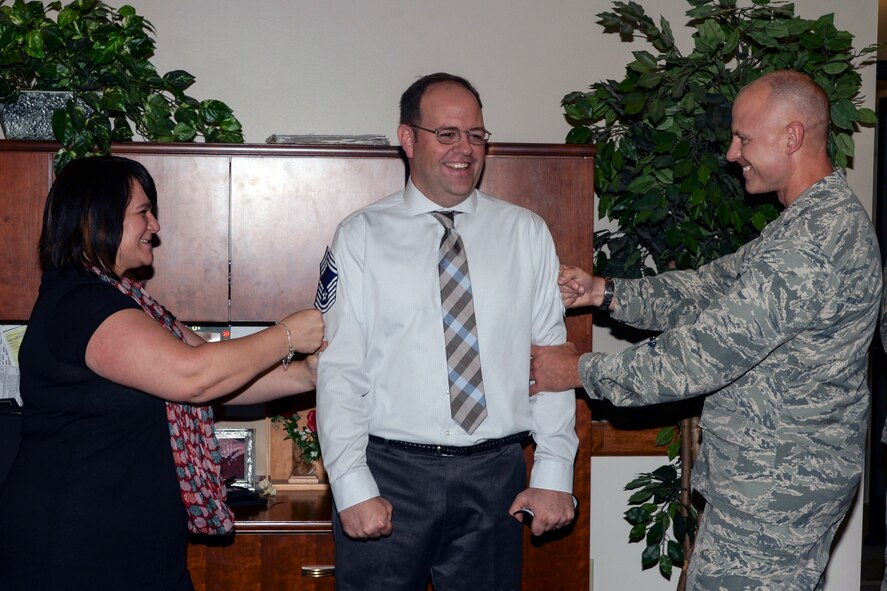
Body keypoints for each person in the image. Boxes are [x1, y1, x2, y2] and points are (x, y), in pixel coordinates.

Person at [529, 70, 882, 589]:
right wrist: (605, 293)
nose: (732, 153)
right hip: (767, 489)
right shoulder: (806, 223)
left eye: (744, 137)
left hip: (774, 499)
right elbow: (708, 289)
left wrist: (578, 371)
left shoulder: (813, 242)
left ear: (792, 136)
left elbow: (700, 356)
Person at [0, 156, 324, 591]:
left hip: (136, 553)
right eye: (143, 212)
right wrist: (286, 334)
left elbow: (219, 370)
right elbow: (194, 377)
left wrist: (306, 375)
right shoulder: (80, 305)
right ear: (98, 218)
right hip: (73, 554)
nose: (154, 225)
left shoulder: (131, 304)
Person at [316, 72, 578, 590]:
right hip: (390, 475)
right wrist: (350, 484)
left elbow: (550, 363)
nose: (465, 149)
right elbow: (341, 370)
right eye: (448, 133)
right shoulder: (360, 236)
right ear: (408, 138)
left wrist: (553, 473)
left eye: (476, 135)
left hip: (495, 478)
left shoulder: (525, 233)